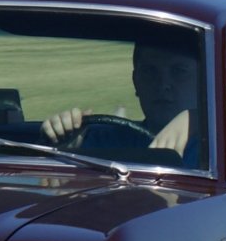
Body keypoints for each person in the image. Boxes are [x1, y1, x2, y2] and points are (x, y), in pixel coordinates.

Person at [41, 33, 203, 160]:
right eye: (149, 72)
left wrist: (197, 119)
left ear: (202, 81)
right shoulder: (104, 142)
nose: (163, 84)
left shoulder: (213, 146)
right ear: (136, 82)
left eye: (179, 72)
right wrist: (65, 147)